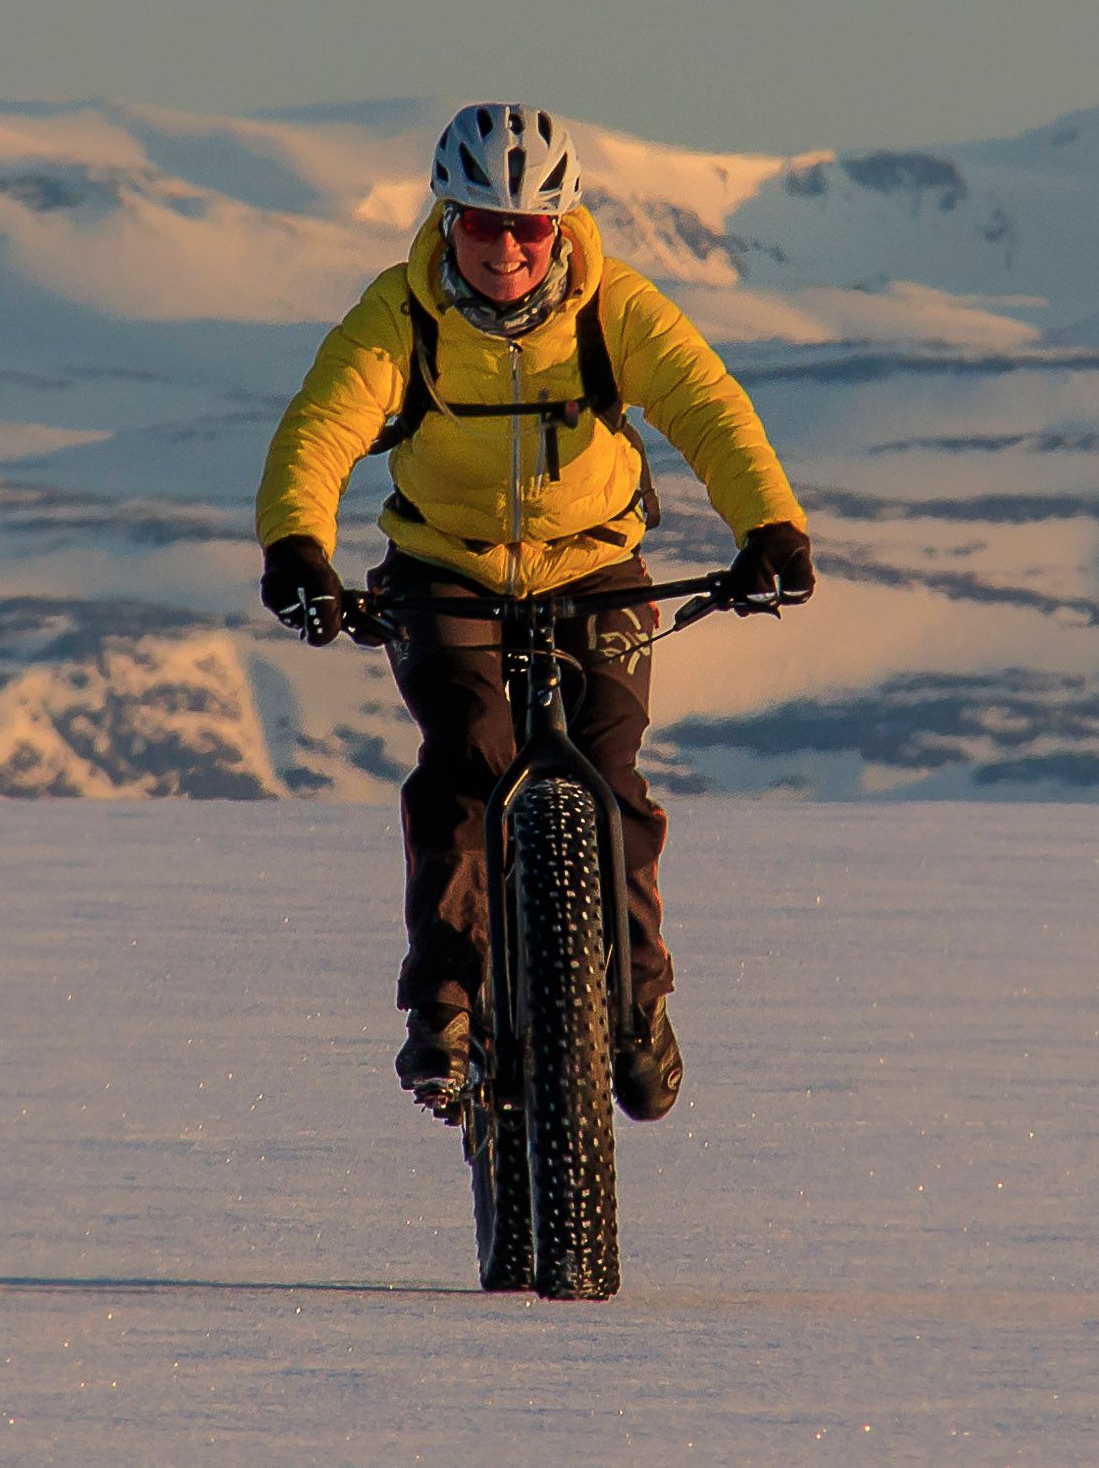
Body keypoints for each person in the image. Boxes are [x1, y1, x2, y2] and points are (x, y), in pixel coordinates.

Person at [253, 103, 813, 1123]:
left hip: (593, 565)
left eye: (529, 226)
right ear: (447, 218)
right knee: (468, 754)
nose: (505, 246)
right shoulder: (401, 312)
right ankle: (445, 1004)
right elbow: (324, 425)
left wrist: (769, 525)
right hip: (445, 566)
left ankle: (635, 1002)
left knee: (612, 772)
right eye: (481, 221)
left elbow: (706, 405)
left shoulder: (614, 307)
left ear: (562, 226)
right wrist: (299, 546)